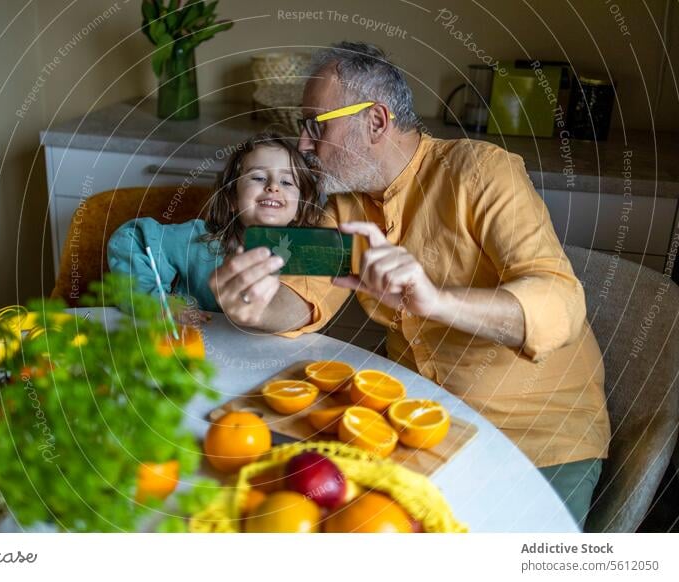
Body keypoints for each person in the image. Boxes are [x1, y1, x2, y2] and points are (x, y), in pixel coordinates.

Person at [208, 42, 610, 529]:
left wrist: (437, 301)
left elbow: (561, 306)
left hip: (537, 440)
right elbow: (301, 301)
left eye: (318, 125)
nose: (305, 145)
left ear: (375, 121)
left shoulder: (480, 172)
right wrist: (252, 306)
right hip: (407, 424)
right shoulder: (344, 205)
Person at [107, 132, 320, 312]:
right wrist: (158, 303)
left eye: (286, 181)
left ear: (300, 206)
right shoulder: (203, 240)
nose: (274, 187)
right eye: (258, 178)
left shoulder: (310, 254)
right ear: (232, 199)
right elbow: (129, 238)